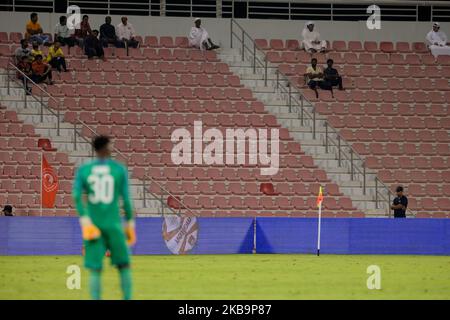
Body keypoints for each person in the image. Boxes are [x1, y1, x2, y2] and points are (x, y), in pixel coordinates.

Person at [72, 135, 136, 300]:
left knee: (95, 268)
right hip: (113, 225)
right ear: (106, 148)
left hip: (93, 224)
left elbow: (77, 196)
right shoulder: (118, 169)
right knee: (124, 265)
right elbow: (126, 200)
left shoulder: (84, 170)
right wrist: (129, 223)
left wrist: (85, 220)